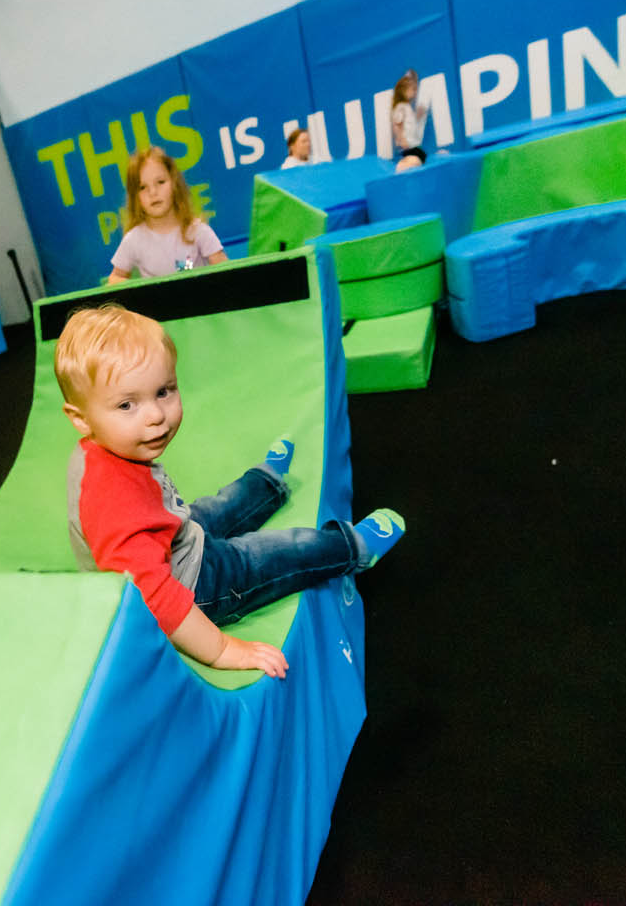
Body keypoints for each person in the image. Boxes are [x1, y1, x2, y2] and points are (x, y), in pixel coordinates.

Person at [56, 304, 405, 677]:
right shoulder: (113, 499)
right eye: (127, 405)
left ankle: (265, 483)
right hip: (193, 586)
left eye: (163, 391)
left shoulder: (105, 448)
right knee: (266, 554)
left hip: (172, 538)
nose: (156, 415)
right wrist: (222, 650)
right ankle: (350, 548)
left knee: (216, 508)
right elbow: (154, 596)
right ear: (80, 418)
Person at [107, 147, 226, 285]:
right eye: (142, 187)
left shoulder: (197, 230)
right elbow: (114, 279)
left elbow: (225, 270)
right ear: (135, 197)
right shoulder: (133, 240)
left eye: (160, 182)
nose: (153, 192)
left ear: (174, 184)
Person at [391, 69, 430, 171]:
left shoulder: (407, 106)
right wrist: (402, 140)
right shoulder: (401, 106)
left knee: (422, 156)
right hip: (407, 145)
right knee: (418, 157)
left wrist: (418, 115)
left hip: (412, 144)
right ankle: (402, 166)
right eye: (412, 89)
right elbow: (397, 124)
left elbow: (410, 123)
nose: (415, 92)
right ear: (404, 91)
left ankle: (407, 163)